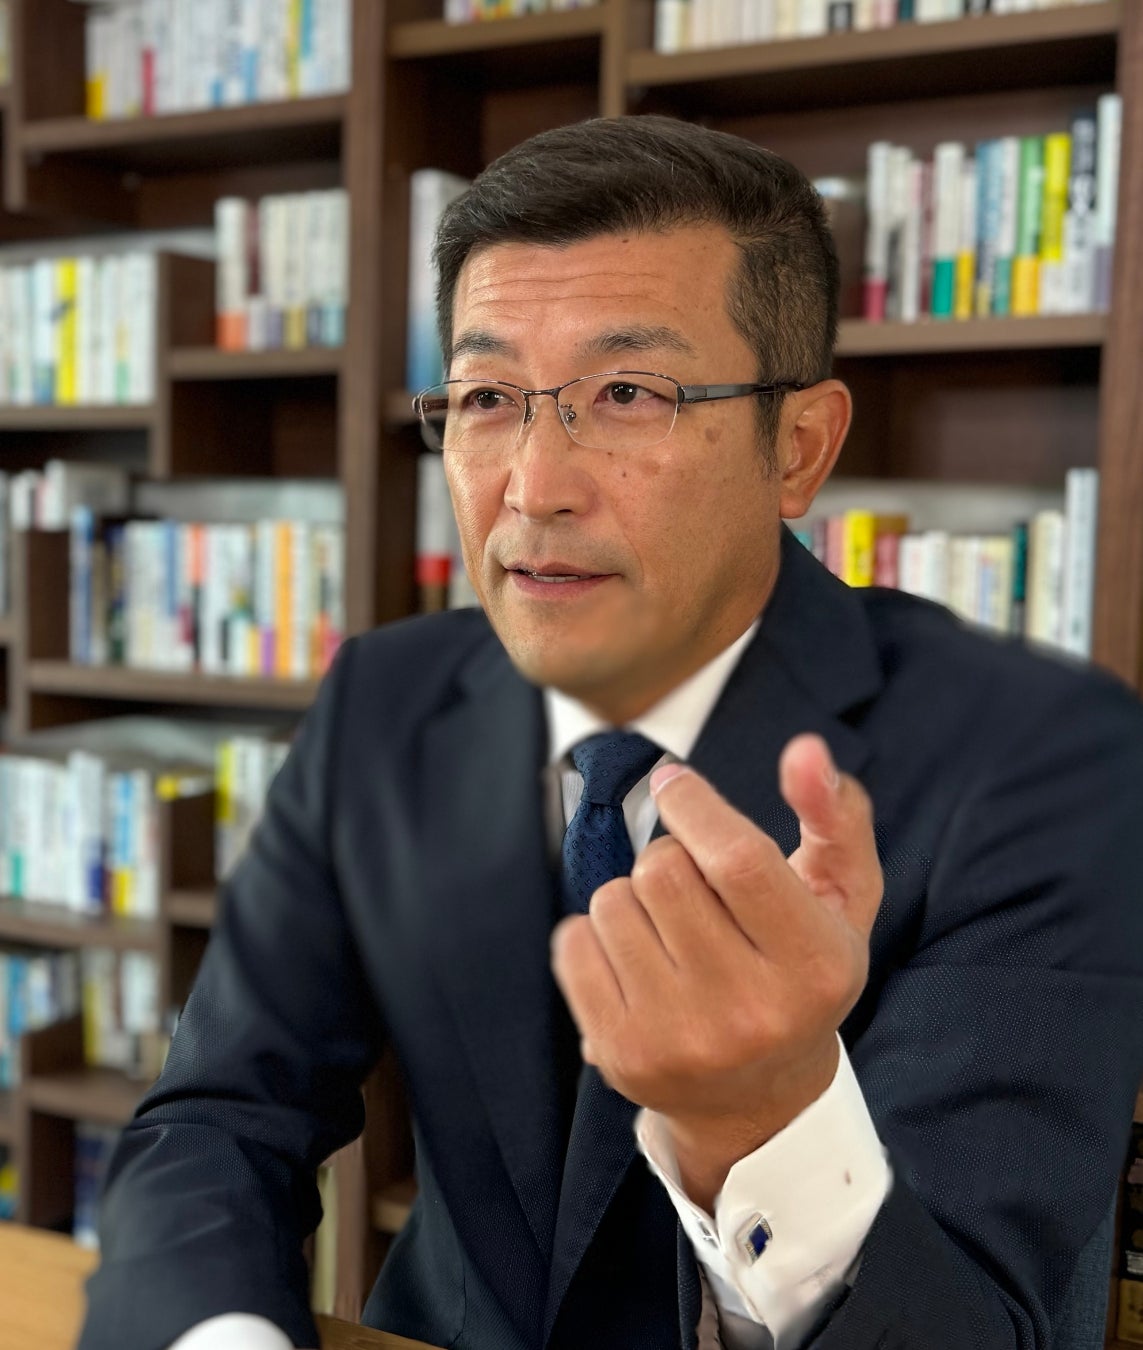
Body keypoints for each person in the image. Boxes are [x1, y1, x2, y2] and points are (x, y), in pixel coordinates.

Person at [80, 115, 1143, 1350]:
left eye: (629, 394)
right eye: (488, 398)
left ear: (798, 448)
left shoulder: (1045, 766)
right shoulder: (389, 700)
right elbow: (214, 1119)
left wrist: (767, 1122)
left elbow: (978, 1322)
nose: (534, 487)